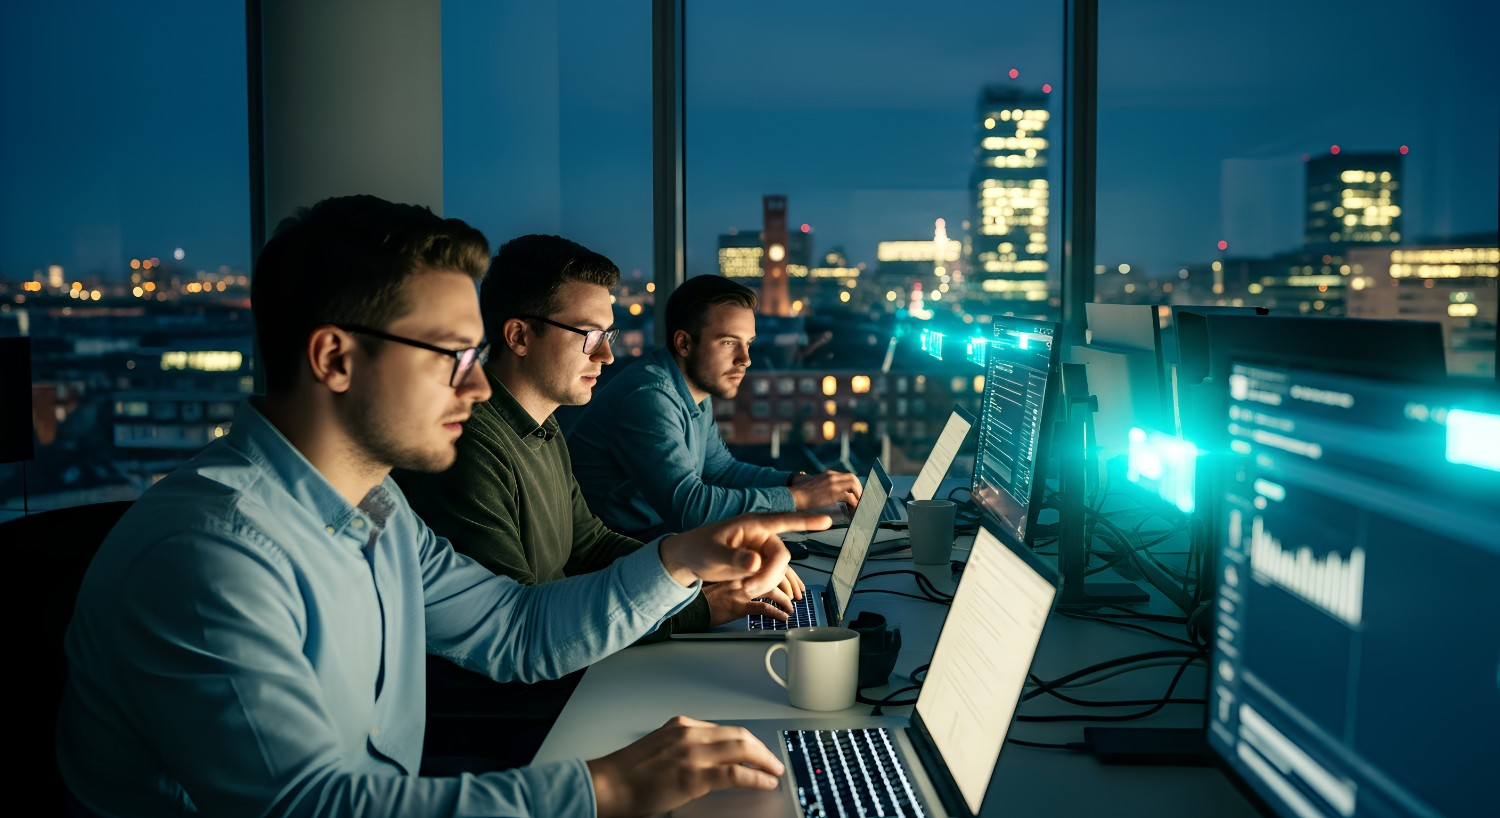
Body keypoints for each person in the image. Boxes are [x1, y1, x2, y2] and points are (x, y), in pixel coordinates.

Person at [55, 195, 827, 818]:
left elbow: (515, 628)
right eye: (452, 356)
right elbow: (313, 807)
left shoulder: (374, 506)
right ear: (335, 358)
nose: (481, 384)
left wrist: (680, 560)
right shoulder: (211, 555)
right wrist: (605, 790)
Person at [390, 235, 806, 766]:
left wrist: (695, 573)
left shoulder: (543, 428)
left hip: (567, 686)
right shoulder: (467, 447)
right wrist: (694, 602)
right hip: (518, 725)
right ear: (518, 335)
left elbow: (589, 546)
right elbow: (521, 630)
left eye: (606, 334)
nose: (608, 353)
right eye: (589, 336)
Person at [569, 274, 862, 539]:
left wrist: (798, 482)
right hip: (613, 556)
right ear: (684, 343)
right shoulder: (648, 397)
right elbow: (690, 510)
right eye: (728, 343)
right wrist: (797, 499)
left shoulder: (692, 388)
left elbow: (720, 470)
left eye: (748, 343)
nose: (745, 359)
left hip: (656, 541)